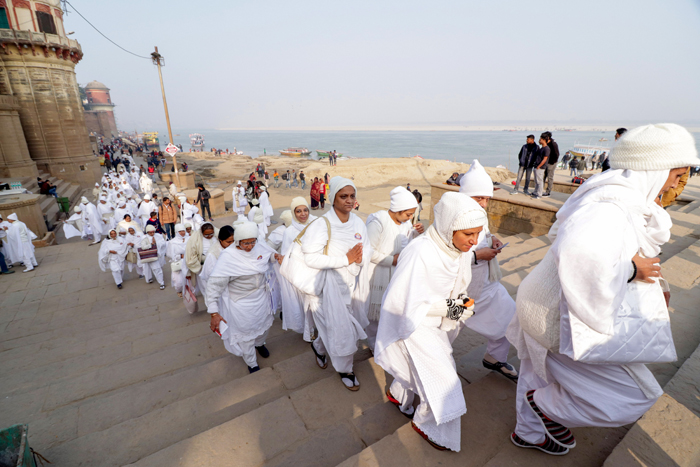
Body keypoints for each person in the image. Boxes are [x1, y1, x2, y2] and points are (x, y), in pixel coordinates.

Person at [507, 123, 698, 456]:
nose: (675, 184)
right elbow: (580, 253)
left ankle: (529, 432)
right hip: (552, 313)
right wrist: (631, 270)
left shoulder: (614, 191)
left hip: (540, 300)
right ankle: (547, 408)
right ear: (656, 168)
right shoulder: (610, 206)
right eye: (676, 174)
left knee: (537, 371)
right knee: (637, 396)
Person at [375, 193, 486, 452]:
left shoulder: (457, 250)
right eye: (469, 233)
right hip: (413, 325)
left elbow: (456, 290)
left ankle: (399, 394)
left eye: (478, 233)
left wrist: (460, 307)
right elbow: (401, 304)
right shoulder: (419, 252)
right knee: (445, 381)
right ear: (449, 228)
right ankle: (430, 426)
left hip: (437, 320)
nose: (475, 241)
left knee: (425, 367)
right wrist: (452, 308)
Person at [300, 177, 372, 391]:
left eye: (352, 196)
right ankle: (345, 370)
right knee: (342, 330)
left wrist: (359, 260)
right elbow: (310, 258)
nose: (349, 200)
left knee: (334, 326)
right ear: (333, 199)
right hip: (326, 287)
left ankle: (319, 347)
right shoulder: (322, 224)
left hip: (352, 283)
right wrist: (345, 260)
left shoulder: (358, 222)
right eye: (343, 196)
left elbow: (365, 249)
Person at [459, 160, 518, 380]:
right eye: (479, 198)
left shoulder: (480, 214)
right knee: (443, 334)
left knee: (512, 319)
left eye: (486, 198)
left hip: (488, 285)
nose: (483, 204)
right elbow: (444, 261)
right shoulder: (451, 220)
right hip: (461, 294)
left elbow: (483, 234)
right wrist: (477, 256)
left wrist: (492, 239)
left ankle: (494, 358)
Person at [206, 222, 278, 373]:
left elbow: (267, 256)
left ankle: (260, 344)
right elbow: (214, 286)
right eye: (245, 243)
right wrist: (214, 312)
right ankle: (252, 363)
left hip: (262, 298)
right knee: (246, 337)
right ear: (238, 240)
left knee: (263, 328)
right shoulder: (228, 257)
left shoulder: (258, 246)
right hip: (241, 305)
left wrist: (275, 256)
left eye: (252, 242)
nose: (250, 246)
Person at [364, 187, 423, 351]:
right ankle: (373, 343)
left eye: (412, 214)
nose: (410, 218)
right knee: (375, 314)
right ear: (397, 209)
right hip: (376, 274)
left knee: (391, 309)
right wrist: (392, 260)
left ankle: (386, 340)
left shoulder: (405, 223)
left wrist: (417, 233)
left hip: (396, 273)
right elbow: (368, 251)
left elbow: (407, 243)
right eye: (408, 214)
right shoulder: (378, 222)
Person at [277, 197, 318, 340]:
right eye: (298, 211)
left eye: (305, 210)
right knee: (305, 306)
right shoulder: (290, 232)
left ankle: (319, 327)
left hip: (317, 270)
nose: (303, 214)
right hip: (301, 274)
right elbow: (286, 255)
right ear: (294, 213)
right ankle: (309, 332)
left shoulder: (317, 224)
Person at [185, 222, 218, 297]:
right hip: (203, 268)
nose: (209, 236)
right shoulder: (195, 241)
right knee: (206, 289)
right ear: (201, 233)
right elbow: (190, 256)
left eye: (211, 234)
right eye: (206, 234)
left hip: (217, 267)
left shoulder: (217, 237)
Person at [139, 224, 167, 290]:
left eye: (153, 232)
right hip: (149, 255)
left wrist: (157, 243)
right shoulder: (144, 238)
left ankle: (161, 282)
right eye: (150, 232)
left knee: (157, 269)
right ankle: (149, 278)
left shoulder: (158, 236)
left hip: (157, 255)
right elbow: (143, 247)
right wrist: (151, 244)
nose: (152, 233)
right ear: (147, 232)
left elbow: (163, 243)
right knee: (147, 268)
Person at [166, 224, 189, 296]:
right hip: (178, 263)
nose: (182, 233)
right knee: (178, 281)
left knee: (189, 280)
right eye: (180, 231)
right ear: (177, 232)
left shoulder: (190, 239)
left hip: (189, 262)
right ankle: (179, 291)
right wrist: (180, 256)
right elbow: (170, 254)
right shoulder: (172, 242)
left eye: (183, 231)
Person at [532, 134, 550, 199]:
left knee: (539, 181)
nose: (539, 141)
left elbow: (545, 159)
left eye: (540, 139)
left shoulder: (546, 149)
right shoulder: (542, 148)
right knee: (536, 181)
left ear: (544, 140)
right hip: (537, 166)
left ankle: (539, 194)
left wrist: (539, 166)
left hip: (540, 167)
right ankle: (536, 192)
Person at [542, 131, 559, 197]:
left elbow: (556, 154)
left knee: (550, 177)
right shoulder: (546, 144)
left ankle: (548, 192)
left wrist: (551, 162)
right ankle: (540, 189)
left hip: (551, 163)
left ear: (548, 137)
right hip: (546, 163)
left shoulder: (553, 144)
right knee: (543, 176)